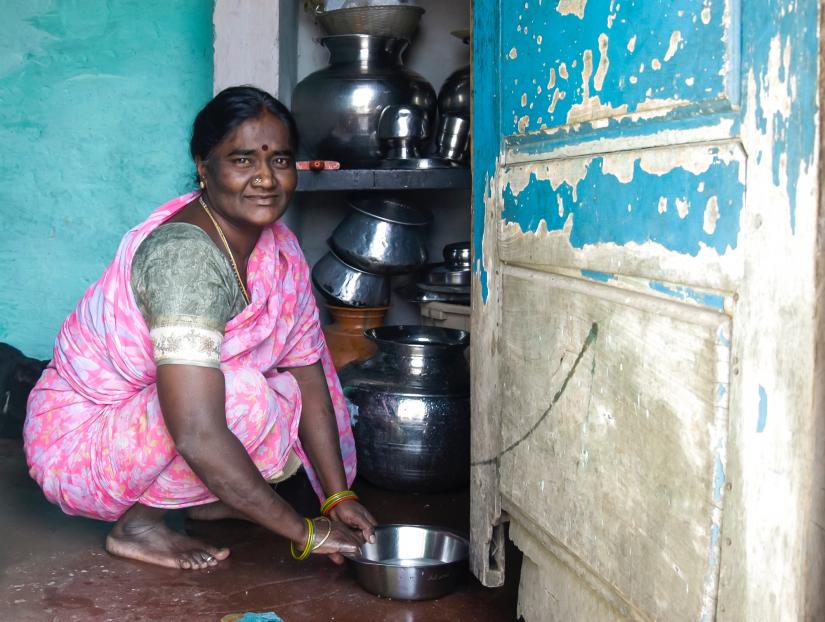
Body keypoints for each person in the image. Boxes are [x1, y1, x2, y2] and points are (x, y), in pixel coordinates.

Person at [23, 86, 376, 570]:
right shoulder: (183, 258)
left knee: (282, 390)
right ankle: (139, 525)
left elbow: (308, 372)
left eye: (280, 160)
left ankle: (207, 501)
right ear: (203, 167)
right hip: (80, 442)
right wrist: (306, 532)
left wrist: (338, 498)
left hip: (153, 420)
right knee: (246, 400)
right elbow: (195, 429)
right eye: (242, 160)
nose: (265, 180)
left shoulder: (281, 249)